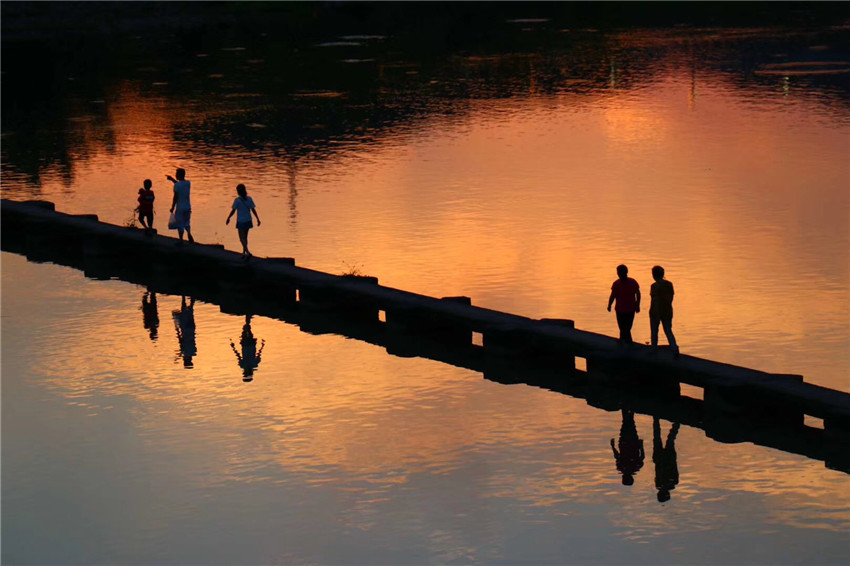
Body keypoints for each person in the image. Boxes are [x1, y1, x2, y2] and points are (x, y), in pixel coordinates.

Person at [649, 265, 679, 357]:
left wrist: (656, 312)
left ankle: (654, 349)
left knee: (654, 332)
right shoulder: (669, 284)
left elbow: (654, 300)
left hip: (655, 312)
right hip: (667, 311)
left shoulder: (654, 286)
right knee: (668, 330)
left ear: (654, 275)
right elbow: (671, 298)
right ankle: (674, 349)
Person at [607, 264, 641, 344]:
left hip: (629, 310)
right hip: (621, 310)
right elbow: (613, 296)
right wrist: (609, 305)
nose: (618, 274)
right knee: (624, 329)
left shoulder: (632, 282)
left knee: (625, 329)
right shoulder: (617, 284)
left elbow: (638, 293)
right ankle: (627, 344)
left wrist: (637, 304)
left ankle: (625, 344)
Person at [225, 183, 261, 258]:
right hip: (248, 220)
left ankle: (247, 252)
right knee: (245, 237)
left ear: (238, 191)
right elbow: (253, 210)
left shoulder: (237, 200)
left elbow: (233, 211)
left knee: (241, 238)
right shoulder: (249, 199)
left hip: (241, 221)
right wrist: (257, 219)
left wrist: (228, 218)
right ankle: (244, 252)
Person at [610, 408, 645, 486]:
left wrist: (641, 446)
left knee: (630, 423)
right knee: (627, 423)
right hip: (626, 443)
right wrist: (612, 446)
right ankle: (626, 408)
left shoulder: (636, 467)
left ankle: (628, 408)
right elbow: (617, 456)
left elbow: (642, 456)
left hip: (631, 443)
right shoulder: (622, 467)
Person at [230, 314, 265, 382]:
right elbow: (238, 355)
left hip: (249, 345)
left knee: (247, 330)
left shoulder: (253, 364)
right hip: (246, 346)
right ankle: (247, 318)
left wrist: (262, 346)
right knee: (246, 330)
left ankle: (248, 318)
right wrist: (233, 348)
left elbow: (258, 354)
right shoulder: (245, 365)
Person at [652, 417, 680, 502]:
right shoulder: (667, 483)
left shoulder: (672, 483)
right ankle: (677, 422)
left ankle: (677, 422)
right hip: (665, 459)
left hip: (663, 459)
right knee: (663, 438)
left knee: (668, 438)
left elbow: (659, 471)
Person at [166, 168, 193, 243]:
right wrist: (172, 180)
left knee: (180, 224)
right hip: (188, 207)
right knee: (187, 222)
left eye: (176, 174)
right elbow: (179, 184)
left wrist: (172, 207)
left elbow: (175, 197)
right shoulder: (188, 183)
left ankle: (181, 240)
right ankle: (189, 233)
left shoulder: (177, 186)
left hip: (180, 208)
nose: (176, 175)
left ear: (179, 175)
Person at [172, 296, 197, 368]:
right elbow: (180, 340)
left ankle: (192, 299)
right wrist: (177, 330)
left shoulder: (194, 352)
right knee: (184, 312)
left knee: (190, 313)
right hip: (185, 330)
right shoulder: (184, 351)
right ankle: (183, 297)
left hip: (192, 329)